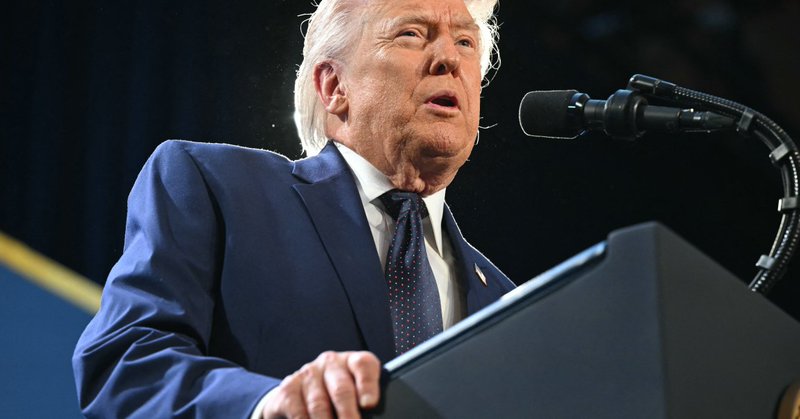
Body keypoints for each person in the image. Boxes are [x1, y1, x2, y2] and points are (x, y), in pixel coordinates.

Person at [72, 0, 515, 417]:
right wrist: (265, 403)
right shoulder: (218, 187)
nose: (449, 60)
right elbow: (126, 364)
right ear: (334, 86)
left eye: (465, 42)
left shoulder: (506, 301)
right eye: (412, 34)